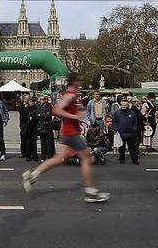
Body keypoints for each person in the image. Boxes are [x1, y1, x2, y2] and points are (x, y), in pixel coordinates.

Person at [22, 73, 110, 202]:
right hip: (71, 133)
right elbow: (56, 110)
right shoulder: (70, 94)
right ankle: (90, 192)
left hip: (67, 132)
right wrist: (74, 117)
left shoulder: (72, 95)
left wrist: (77, 113)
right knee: (86, 158)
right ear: (74, 82)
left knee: (58, 159)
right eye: (80, 81)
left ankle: (32, 175)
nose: (81, 83)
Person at [112, 98, 140, 164]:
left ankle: (135, 160)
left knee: (132, 148)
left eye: (125, 105)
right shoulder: (118, 113)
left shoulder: (132, 113)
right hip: (121, 133)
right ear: (121, 105)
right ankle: (122, 159)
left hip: (131, 134)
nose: (124, 106)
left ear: (128, 105)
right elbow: (114, 122)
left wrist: (134, 129)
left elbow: (135, 122)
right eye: (122, 105)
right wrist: (116, 129)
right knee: (122, 148)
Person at [36, 95, 55, 162]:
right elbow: (37, 115)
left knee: (48, 142)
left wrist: (41, 115)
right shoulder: (38, 107)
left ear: (46, 100)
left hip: (48, 126)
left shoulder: (49, 106)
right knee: (42, 142)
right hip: (41, 127)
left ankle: (49, 156)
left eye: (42, 99)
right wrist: (42, 115)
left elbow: (48, 115)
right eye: (40, 99)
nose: (41, 100)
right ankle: (43, 157)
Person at [23, 96, 39, 162]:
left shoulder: (36, 108)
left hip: (34, 127)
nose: (31, 103)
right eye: (30, 101)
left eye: (32, 101)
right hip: (28, 127)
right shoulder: (26, 108)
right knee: (28, 142)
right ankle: (28, 155)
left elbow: (37, 117)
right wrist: (29, 117)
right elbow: (24, 117)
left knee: (34, 142)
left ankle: (35, 155)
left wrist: (31, 117)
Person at [17, 94, 31, 158]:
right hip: (23, 124)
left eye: (29, 99)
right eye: (27, 99)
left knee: (30, 139)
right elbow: (22, 112)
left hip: (30, 124)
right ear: (24, 99)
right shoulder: (21, 105)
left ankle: (29, 152)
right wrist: (26, 107)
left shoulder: (31, 105)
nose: (28, 100)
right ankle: (23, 152)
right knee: (23, 138)